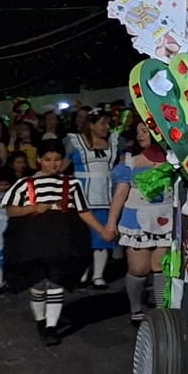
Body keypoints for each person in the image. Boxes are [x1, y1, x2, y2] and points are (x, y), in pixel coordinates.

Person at [2, 144, 115, 342]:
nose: (53, 164)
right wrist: (34, 208)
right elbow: (11, 210)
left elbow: (83, 211)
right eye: (48, 160)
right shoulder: (24, 184)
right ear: (38, 160)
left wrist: (102, 230)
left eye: (57, 160)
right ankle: (41, 319)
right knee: (37, 283)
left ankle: (51, 328)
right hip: (33, 242)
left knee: (56, 280)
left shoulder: (71, 184)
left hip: (62, 239)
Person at [105, 122, 175, 327]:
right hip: (135, 220)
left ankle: (162, 309)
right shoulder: (130, 163)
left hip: (166, 218)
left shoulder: (174, 161)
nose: (140, 136)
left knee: (160, 265)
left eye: (145, 131)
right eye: (138, 132)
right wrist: (111, 223)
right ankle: (136, 309)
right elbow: (120, 194)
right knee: (138, 268)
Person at [64, 111, 117, 288]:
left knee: (102, 235)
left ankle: (98, 275)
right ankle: (82, 272)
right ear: (92, 124)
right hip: (82, 197)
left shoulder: (114, 142)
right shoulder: (75, 142)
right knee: (83, 236)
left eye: (108, 124)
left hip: (105, 197)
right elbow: (62, 167)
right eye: (103, 123)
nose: (107, 128)